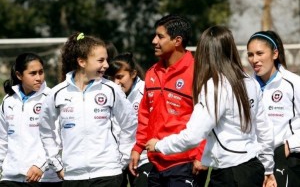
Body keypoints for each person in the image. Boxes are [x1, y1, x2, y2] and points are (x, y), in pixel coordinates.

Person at [145, 26, 277, 187]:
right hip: (253, 167)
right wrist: (267, 167)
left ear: (205, 53)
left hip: (229, 172)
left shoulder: (215, 86)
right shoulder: (249, 81)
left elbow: (193, 135)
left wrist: (159, 145)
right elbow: (264, 130)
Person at [38, 32, 137, 187]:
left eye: (106, 60)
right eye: (101, 60)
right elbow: (45, 129)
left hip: (108, 174)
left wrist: (122, 159)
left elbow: (129, 125)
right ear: (82, 62)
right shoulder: (57, 93)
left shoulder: (111, 89)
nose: (106, 65)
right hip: (72, 176)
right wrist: (55, 163)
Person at [129, 14, 208, 187]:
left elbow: (207, 120)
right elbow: (144, 115)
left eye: (160, 36)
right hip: (156, 162)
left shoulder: (197, 73)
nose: (154, 41)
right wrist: (138, 147)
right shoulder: (152, 73)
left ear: (177, 40)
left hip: (185, 163)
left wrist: (201, 155)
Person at [247, 30, 300, 187]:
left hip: (286, 159)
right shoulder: (246, 86)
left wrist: (289, 145)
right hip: (254, 162)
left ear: (275, 53)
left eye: (259, 53)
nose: (254, 60)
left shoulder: (294, 83)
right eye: (250, 54)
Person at [0, 53, 62, 186]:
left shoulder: (51, 98)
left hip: (45, 178)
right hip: (11, 178)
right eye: (33, 73)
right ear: (19, 75)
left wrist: (40, 165)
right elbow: (3, 140)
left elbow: (57, 138)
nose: (39, 78)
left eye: (41, 72)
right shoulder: (8, 101)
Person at [106, 52, 151, 187]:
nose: (116, 82)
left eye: (120, 77)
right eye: (112, 77)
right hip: (116, 160)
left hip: (143, 158)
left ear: (133, 74)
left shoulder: (146, 91)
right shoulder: (107, 92)